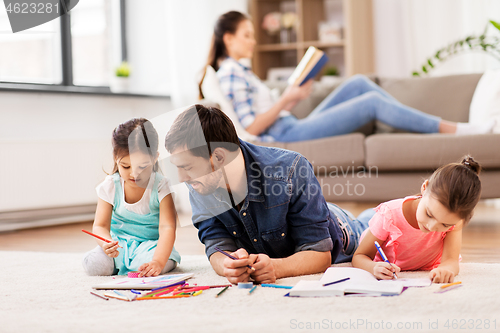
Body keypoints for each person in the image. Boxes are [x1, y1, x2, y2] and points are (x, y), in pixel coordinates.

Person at [199, 11, 495, 142]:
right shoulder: (231, 74)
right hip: (283, 135)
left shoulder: (243, 72)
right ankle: (459, 130)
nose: (253, 41)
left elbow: (264, 113)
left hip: (289, 124)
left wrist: (293, 98)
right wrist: (285, 100)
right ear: (228, 38)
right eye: (247, 35)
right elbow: (251, 126)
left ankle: (411, 123)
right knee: (371, 104)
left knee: (358, 83)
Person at [164, 104, 373, 284]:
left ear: (218, 157)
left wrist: (277, 267)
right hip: (310, 216)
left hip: (341, 228)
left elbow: (320, 255)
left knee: (380, 224)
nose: (182, 178)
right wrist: (227, 264)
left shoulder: (291, 169)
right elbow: (216, 243)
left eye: (188, 167)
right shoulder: (201, 182)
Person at [352, 156, 482, 283]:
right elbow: (359, 256)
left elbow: (451, 261)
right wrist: (373, 267)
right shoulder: (389, 215)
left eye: (445, 224)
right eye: (429, 214)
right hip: (373, 225)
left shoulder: (454, 221)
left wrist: (446, 269)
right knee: (357, 225)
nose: (431, 227)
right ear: (424, 188)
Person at [82, 118, 181, 277]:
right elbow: (100, 226)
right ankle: (122, 265)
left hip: (150, 247)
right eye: (126, 166)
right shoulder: (110, 186)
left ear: (155, 158)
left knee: (155, 264)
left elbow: (167, 228)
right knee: (95, 265)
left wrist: (158, 261)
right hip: (119, 246)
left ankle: (148, 264)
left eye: (142, 167)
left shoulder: (161, 186)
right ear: (116, 158)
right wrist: (106, 243)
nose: (134, 174)